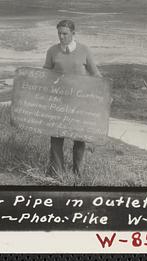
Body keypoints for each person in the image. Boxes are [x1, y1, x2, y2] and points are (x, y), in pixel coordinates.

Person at [43, 19, 101, 177]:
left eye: (65, 34)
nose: (61, 37)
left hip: (79, 102)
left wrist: (104, 93)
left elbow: (95, 74)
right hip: (58, 102)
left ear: (73, 34)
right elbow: (46, 74)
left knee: (79, 139)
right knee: (56, 137)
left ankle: (78, 173)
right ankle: (57, 172)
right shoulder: (52, 51)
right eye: (59, 34)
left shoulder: (84, 51)